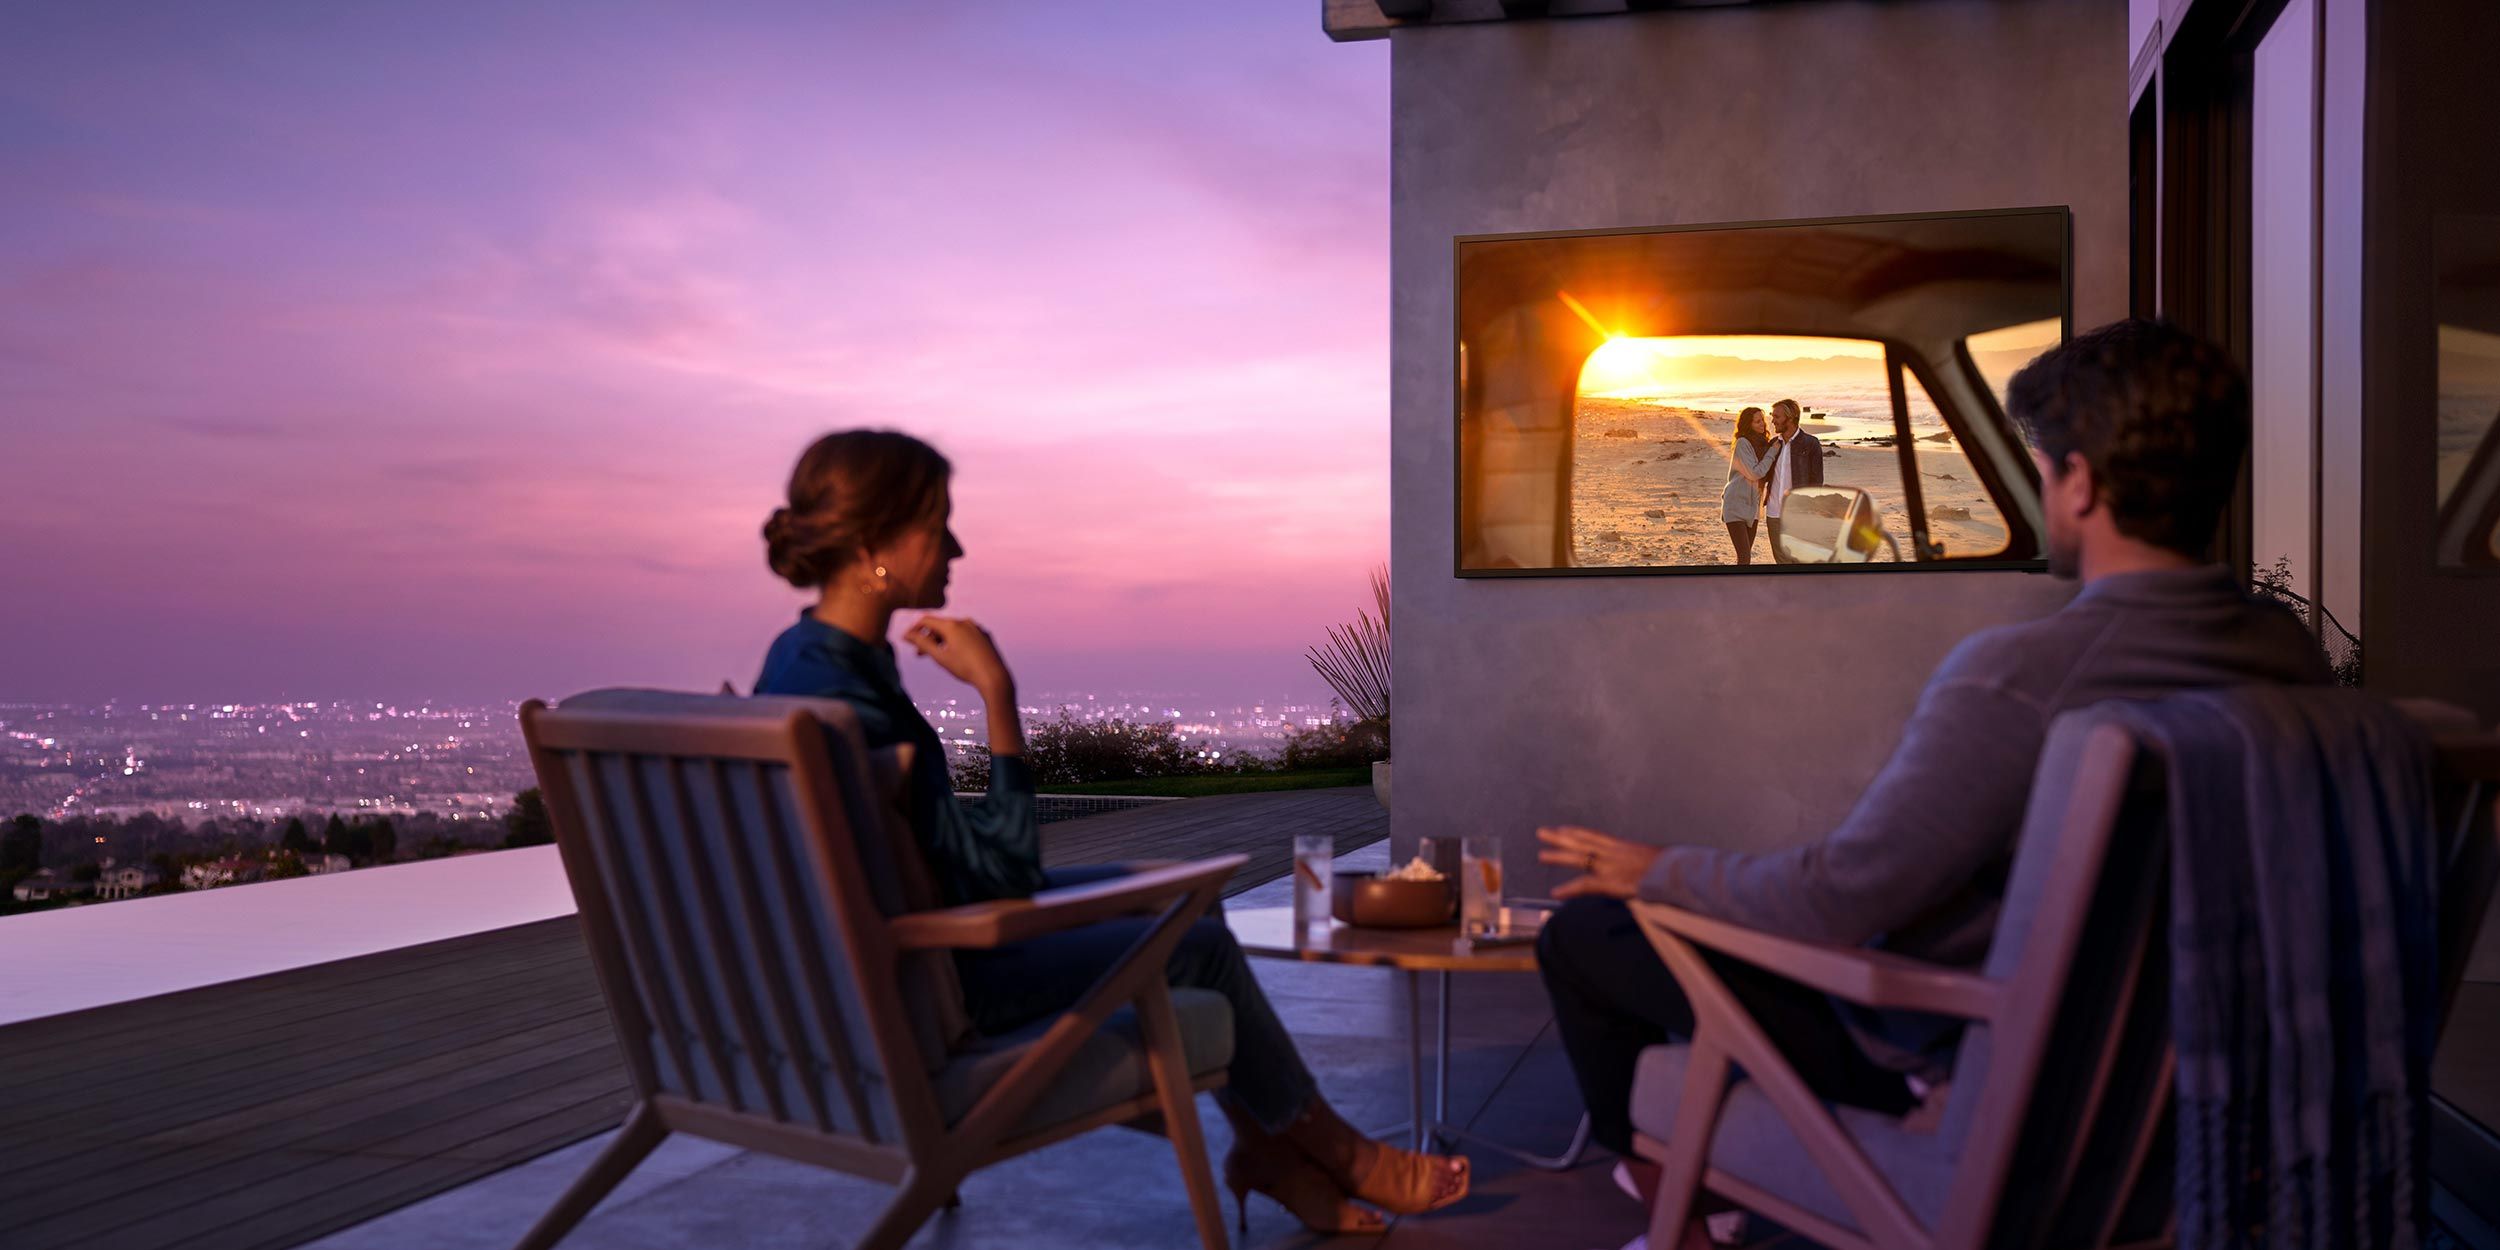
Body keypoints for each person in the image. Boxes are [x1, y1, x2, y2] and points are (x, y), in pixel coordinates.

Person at [1531, 320, 2333, 1243]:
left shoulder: (2024, 678)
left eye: (2040, 465)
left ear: (2081, 483)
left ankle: (1674, 1193)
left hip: (1983, 1068)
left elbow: (1837, 897)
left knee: (1590, 933)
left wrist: (1659, 870)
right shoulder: (2292, 665)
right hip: (2198, 1099)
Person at [752, 430, 1468, 1235]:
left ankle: (1268, 1148)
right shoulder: (853, 700)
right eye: (938, 523)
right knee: (1195, 940)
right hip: (948, 973)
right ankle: (1342, 1151)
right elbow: (1007, 874)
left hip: (886, 961)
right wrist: (997, 693)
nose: (956, 545)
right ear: (872, 542)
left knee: (1190, 902)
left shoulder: (799, 664)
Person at [1760, 398, 1824, 564]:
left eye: (1777, 417)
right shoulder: (1773, 444)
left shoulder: (1811, 444)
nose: (1772, 420)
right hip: (1773, 512)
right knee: (1781, 560)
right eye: (1772, 416)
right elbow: (1762, 473)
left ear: (1791, 418)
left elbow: (1816, 482)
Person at [1719, 407, 1775, 566]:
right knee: (1744, 556)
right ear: (1747, 424)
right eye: (1757, 421)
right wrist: (1773, 452)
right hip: (1736, 504)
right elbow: (1754, 473)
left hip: (1753, 508)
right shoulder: (1743, 443)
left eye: (1762, 421)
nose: (1762, 424)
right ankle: (1738, 589)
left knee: (1745, 558)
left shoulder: (1763, 445)